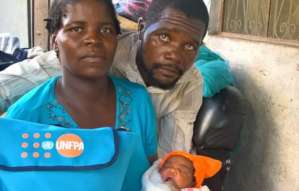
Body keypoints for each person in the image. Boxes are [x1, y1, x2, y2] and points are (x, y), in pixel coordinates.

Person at [0, 0, 209, 156]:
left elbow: (170, 155)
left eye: (190, 46)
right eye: (164, 36)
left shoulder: (188, 84)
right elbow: (31, 73)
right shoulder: (101, 52)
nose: (174, 55)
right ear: (141, 28)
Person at [4, 0, 157, 190]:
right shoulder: (26, 117)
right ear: (55, 41)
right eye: (77, 29)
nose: (93, 39)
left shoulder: (138, 101)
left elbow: (153, 174)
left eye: (106, 30)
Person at [142, 151, 222, 191]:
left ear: (193, 182)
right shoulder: (152, 182)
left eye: (182, 170)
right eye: (167, 166)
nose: (172, 169)